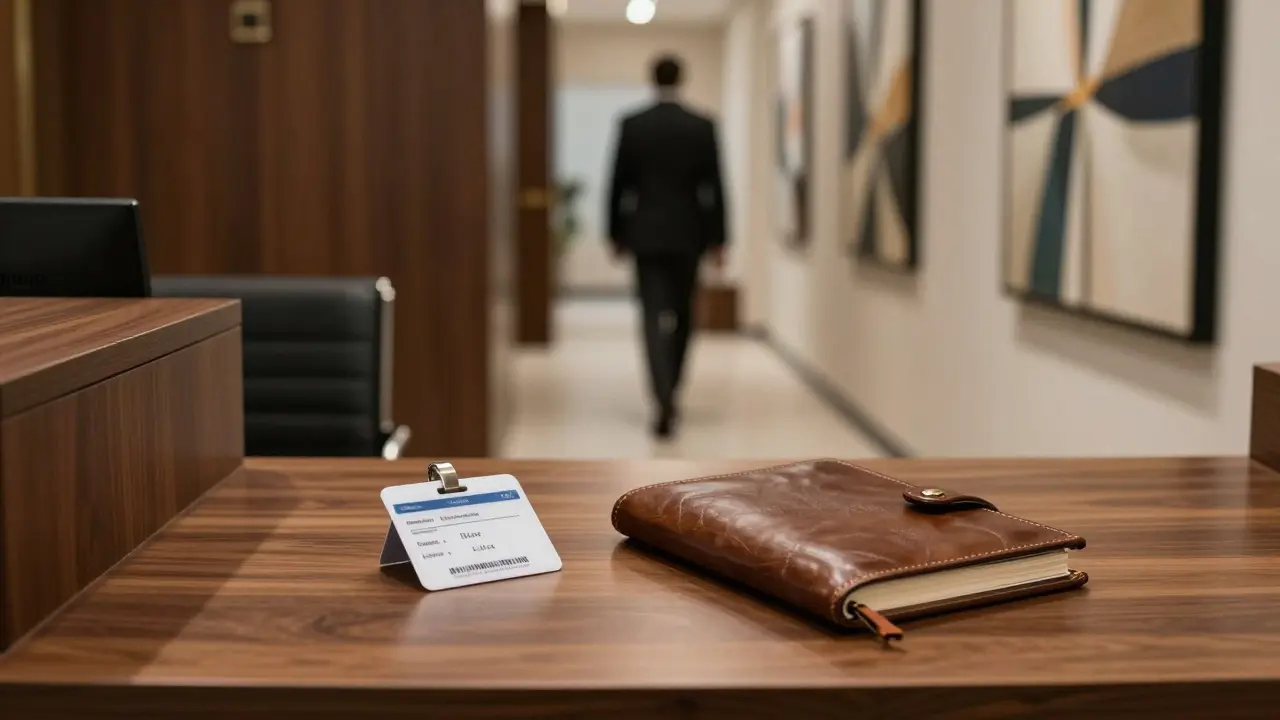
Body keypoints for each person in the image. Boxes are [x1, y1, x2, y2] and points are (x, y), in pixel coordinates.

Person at [606, 54, 727, 440]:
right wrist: (720, 239)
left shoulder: (633, 125)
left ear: (652, 79)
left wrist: (615, 233)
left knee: (651, 317)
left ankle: (662, 398)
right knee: (683, 317)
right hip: (689, 235)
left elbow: (618, 183)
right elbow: (715, 187)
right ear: (682, 78)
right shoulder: (702, 126)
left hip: (646, 236)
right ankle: (672, 390)